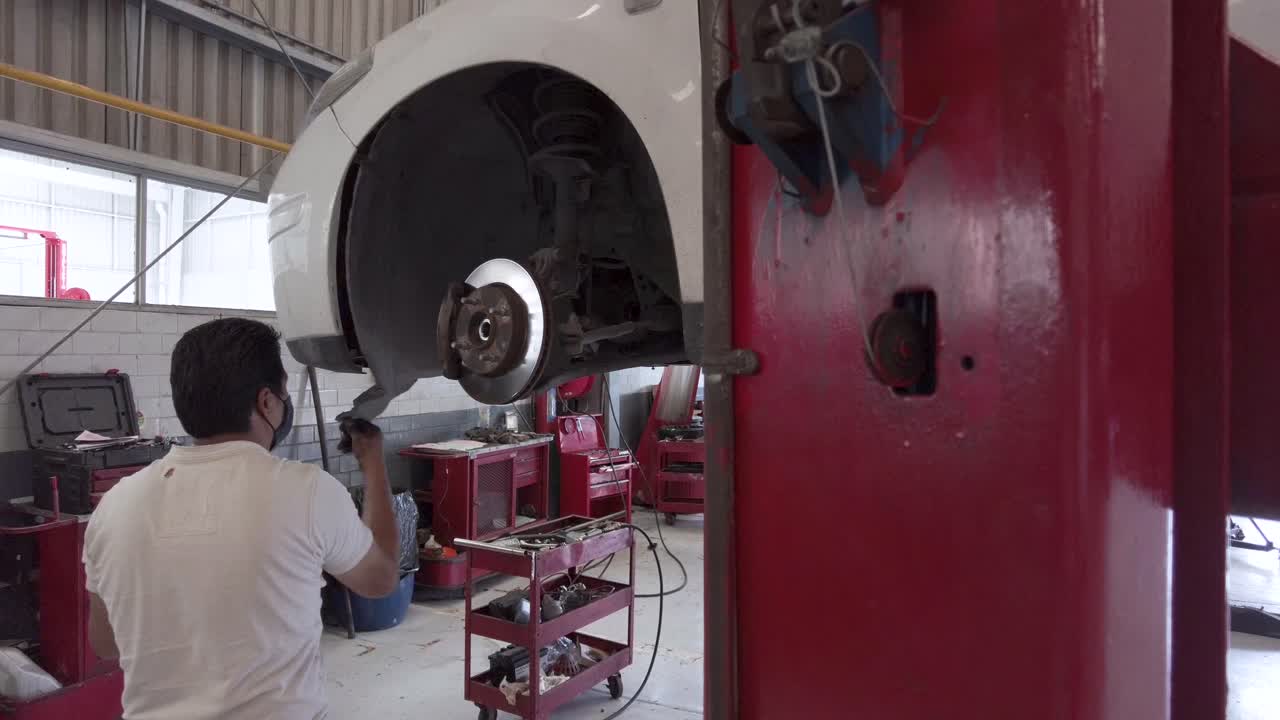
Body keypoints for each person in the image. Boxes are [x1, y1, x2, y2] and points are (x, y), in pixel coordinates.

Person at [83, 318, 400, 719]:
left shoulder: (114, 506)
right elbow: (381, 579)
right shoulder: (306, 492)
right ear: (266, 403)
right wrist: (372, 460)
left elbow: (105, 642)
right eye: (283, 395)